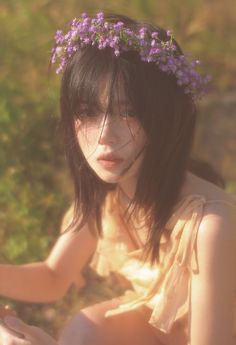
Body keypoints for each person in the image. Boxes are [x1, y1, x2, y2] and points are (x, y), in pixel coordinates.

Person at [0, 11, 236, 345]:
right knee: (84, 331)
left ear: (165, 119)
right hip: (156, 326)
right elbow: (53, 277)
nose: (105, 136)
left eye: (128, 112)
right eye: (87, 112)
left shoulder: (209, 223)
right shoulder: (107, 194)